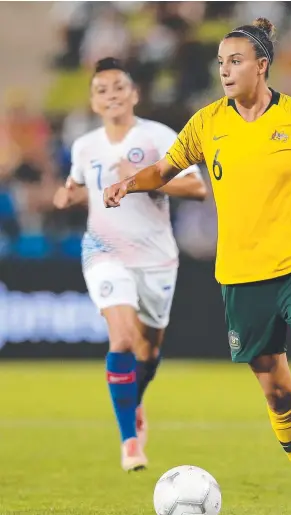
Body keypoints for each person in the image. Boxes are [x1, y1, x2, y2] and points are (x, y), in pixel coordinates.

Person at [104, 18, 291, 515]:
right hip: (240, 276)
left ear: (261, 65)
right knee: (275, 391)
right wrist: (128, 186)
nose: (225, 70)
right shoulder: (207, 123)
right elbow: (164, 171)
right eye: (221, 63)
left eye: (235, 61)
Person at [53, 57, 206, 472]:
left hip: (156, 257)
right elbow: (79, 188)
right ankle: (129, 442)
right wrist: (67, 196)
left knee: (148, 351)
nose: (111, 95)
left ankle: (134, 401)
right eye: (102, 90)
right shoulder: (85, 147)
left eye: (119, 87)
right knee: (121, 340)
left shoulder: (159, 137)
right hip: (104, 251)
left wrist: (145, 176)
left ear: (134, 94)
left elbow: (197, 188)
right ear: (93, 101)